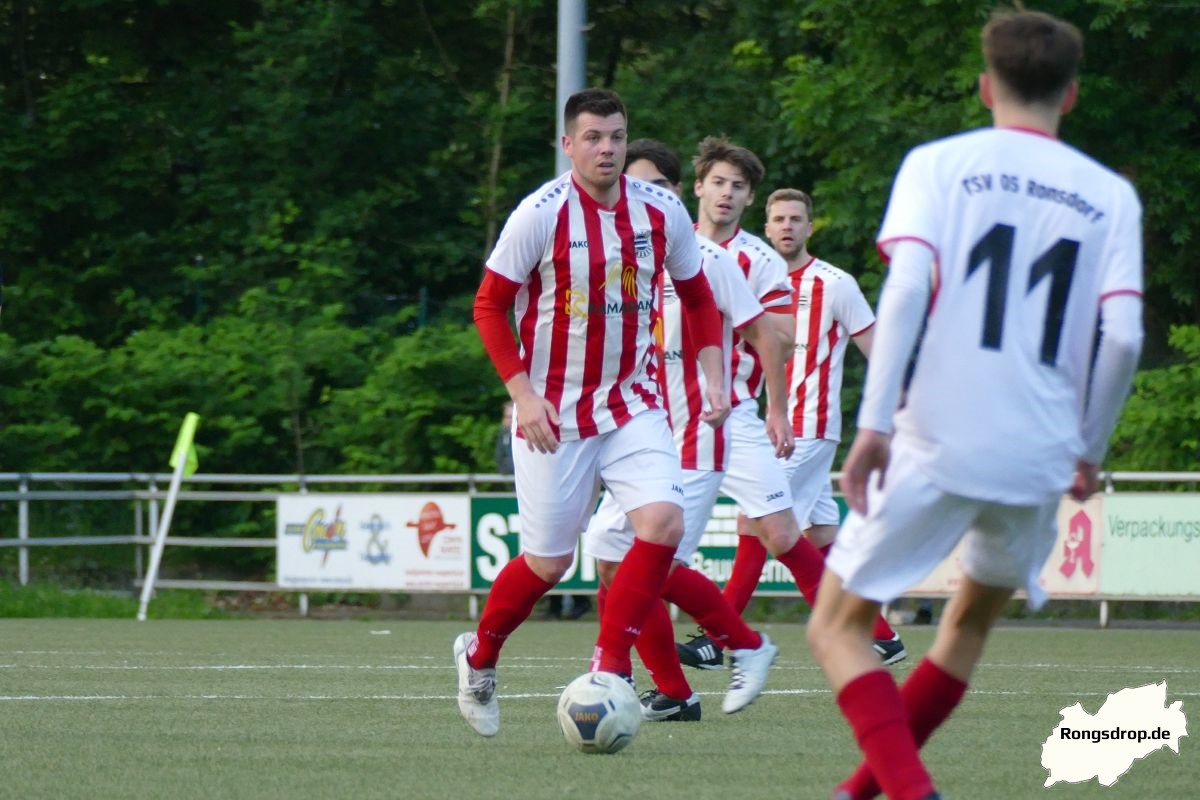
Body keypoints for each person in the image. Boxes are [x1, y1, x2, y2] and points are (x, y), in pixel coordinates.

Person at [806, 11, 1143, 799]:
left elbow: (905, 292)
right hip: (1038, 452)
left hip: (940, 434)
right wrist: (1088, 450)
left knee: (834, 626)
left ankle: (909, 792)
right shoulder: (1111, 196)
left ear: (987, 86)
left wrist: (873, 425)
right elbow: (1124, 337)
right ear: (1072, 94)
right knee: (966, 625)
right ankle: (857, 794)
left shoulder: (938, 164)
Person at [457, 88, 730, 738]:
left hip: (634, 402)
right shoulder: (540, 214)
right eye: (593, 137)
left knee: (662, 524)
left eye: (616, 136)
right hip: (554, 414)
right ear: (568, 145)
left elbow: (696, 296)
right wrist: (522, 394)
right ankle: (479, 657)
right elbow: (489, 305)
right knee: (548, 565)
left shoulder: (661, 209)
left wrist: (713, 373)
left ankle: (608, 666)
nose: (607, 148)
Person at [584, 138, 787, 721]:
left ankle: (741, 645)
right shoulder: (625, 258)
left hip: (696, 436)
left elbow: (764, 333)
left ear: (675, 194)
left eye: (653, 187)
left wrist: (772, 408)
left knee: (655, 564)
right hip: (643, 436)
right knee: (609, 557)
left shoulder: (707, 258)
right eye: (632, 186)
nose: (638, 196)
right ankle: (673, 693)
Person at [675, 181, 905, 669]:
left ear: (810, 227)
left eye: (796, 219)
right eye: (779, 219)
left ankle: (716, 638)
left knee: (757, 522)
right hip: (772, 423)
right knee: (818, 535)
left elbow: (878, 349)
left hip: (810, 425)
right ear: (766, 226)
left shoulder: (835, 284)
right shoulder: (752, 275)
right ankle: (879, 635)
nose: (787, 227)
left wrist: (902, 407)